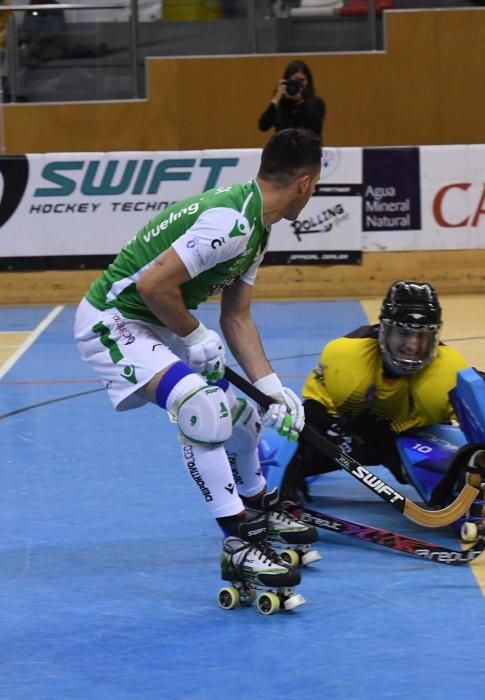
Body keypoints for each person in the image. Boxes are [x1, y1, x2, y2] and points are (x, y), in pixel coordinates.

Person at [73, 128, 323, 605]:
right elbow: (152, 286)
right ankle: (237, 543)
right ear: (306, 183)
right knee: (204, 410)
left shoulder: (259, 225)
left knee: (246, 416)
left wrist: (271, 388)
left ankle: (257, 511)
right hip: (115, 321)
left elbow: (237, 316)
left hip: (157, 323)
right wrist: (193, 334)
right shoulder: (232, 221)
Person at [274, 281, 485, 541]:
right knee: (290, 438)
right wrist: (291, 472)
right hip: (347, 439)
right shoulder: (344, 355)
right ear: (384, 330)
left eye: (423, 335)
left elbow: (469, 435)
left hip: (407, 441)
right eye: (404, 333)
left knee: (463, 459)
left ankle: (457, 503)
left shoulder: (450, 370)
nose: (413, 344)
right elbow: (313, 415)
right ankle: (279, 498)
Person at [258, 60, 326, 139]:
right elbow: (263, 126)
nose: (298, 84)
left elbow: (314, 129)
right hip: (284, 148)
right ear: (286, 81)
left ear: (308, 81)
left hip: (308, 148)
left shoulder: (316, 103)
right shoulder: (281, 102)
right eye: (295, 80)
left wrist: (301, 102)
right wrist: (276, 99)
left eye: (302, 80)